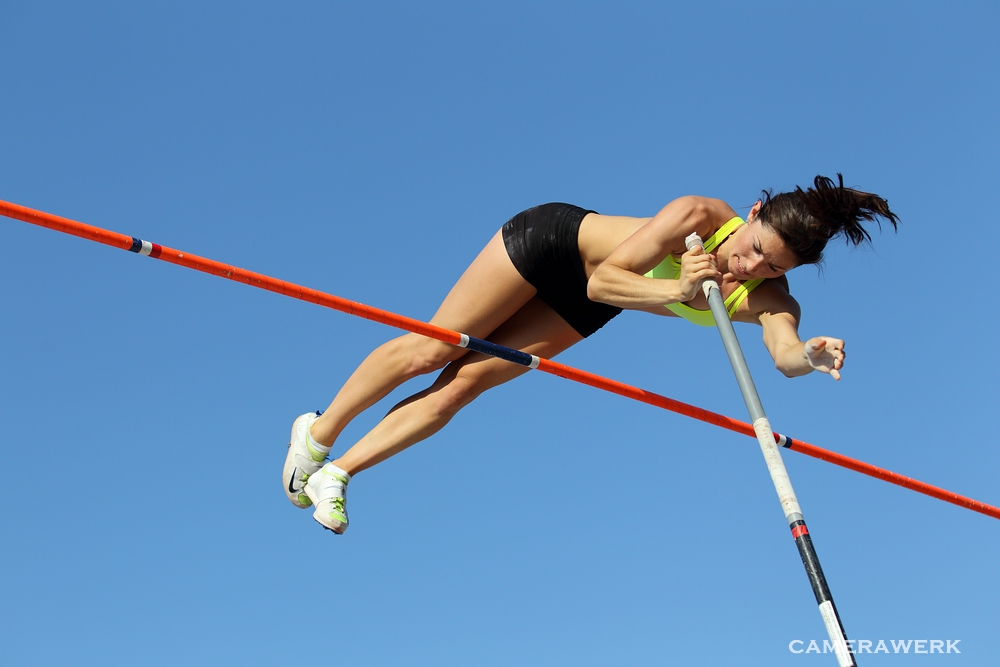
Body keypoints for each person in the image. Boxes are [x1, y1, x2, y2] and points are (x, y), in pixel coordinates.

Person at [281, 174, 899, 534]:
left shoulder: (771, 295)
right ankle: (317, 434)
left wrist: (809, 359)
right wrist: (679, 288)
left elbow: (783, 352)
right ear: (755, 212)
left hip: (593, 304)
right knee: (435, 348)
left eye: (775, 264)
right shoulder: (700, 214)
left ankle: (340, 473)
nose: (753, 266)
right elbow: (605, 278)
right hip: (552, 245)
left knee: (464, 385)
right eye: (758, 246)